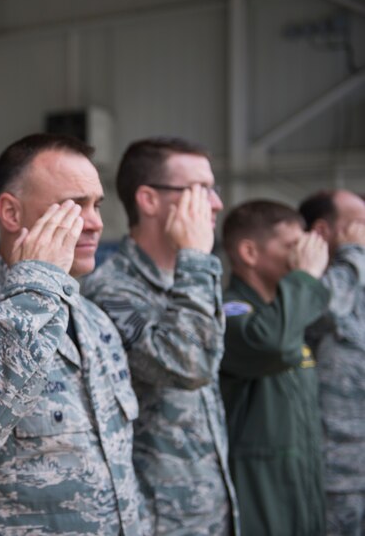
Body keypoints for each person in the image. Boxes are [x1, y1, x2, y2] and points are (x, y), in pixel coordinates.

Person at [0, 133, 147, 535]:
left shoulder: (95, 321)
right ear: (11, 213)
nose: (95, 223)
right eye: (74, 205)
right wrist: (35, 287)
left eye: (97, 205)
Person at [81, 137, 238, 535]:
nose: (216, 203)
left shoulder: (185, 279)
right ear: (148, 200)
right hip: (157, 522)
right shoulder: (111, 291)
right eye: (200, 190)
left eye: (213, 189)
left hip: (210, 512)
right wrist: (198, 260)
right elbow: (189, 365)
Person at [219, 199, 329, 535]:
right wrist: (305, 277)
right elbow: (273, 346)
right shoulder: (229, 311)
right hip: (260, 497)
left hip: (302, 489)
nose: (303, 256)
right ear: (250, 253)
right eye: (292, 247)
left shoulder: (285, 316)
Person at [299, 190, 365, 535]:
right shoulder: (304, 284)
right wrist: (352, 253)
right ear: (323, 232)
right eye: (359, 225)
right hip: (335, 474)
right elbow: (320, 313)